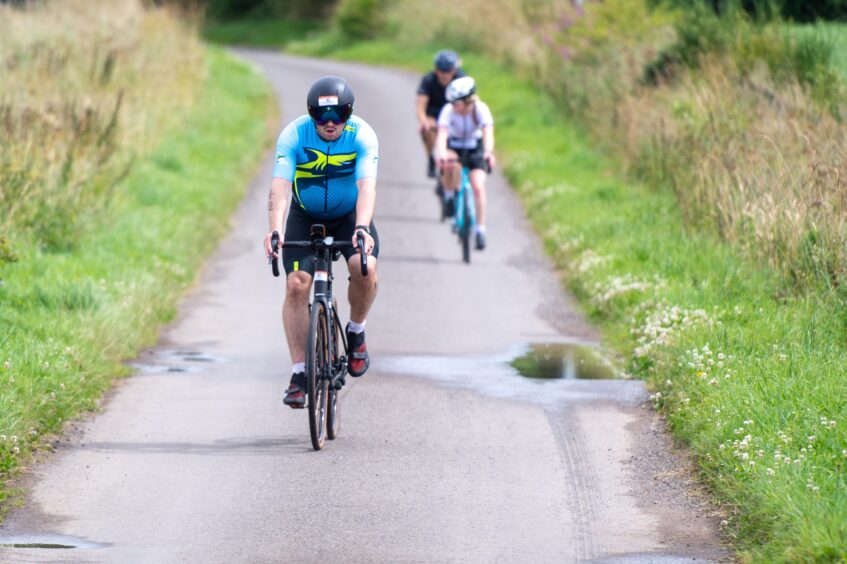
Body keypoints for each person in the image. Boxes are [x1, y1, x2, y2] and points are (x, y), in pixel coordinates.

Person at [263, 75, 379, 409]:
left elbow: (367, 186)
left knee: (364, 266)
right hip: (306, 214)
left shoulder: (363, 135)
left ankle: (356, 331)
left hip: (348, 215)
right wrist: (275, 229)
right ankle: (300, 373)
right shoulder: (294, 135)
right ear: (311, 115)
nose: (330, 124)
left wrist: (361, 228)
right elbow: (281, 186)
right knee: (297, 286)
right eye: (322, 117)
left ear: (349, 113)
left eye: (339, 116)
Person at [433, 76, 495, 250]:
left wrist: (489, 152)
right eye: (451, 103)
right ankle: (449, 196)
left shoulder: (480, 109)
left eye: (457, 103)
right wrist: (441, 154)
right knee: (449, 164)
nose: (453, 106)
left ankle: (480, 230)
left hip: (475, 148)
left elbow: (488, 133)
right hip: (454, 146)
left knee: (478, 186)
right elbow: (442, 135)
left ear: (468, 101)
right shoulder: (448, 110)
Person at [416, 49, 465, 178]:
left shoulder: (461, 79)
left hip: (455, 115)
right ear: (436, 70)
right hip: (435, 116)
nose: (445, 75)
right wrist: (423, 121)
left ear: (454, 70)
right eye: (441, 71)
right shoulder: (428, 80)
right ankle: (432, 158)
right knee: (426, 130)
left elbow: (470, 103)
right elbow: (421, 105)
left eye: (448, 72)